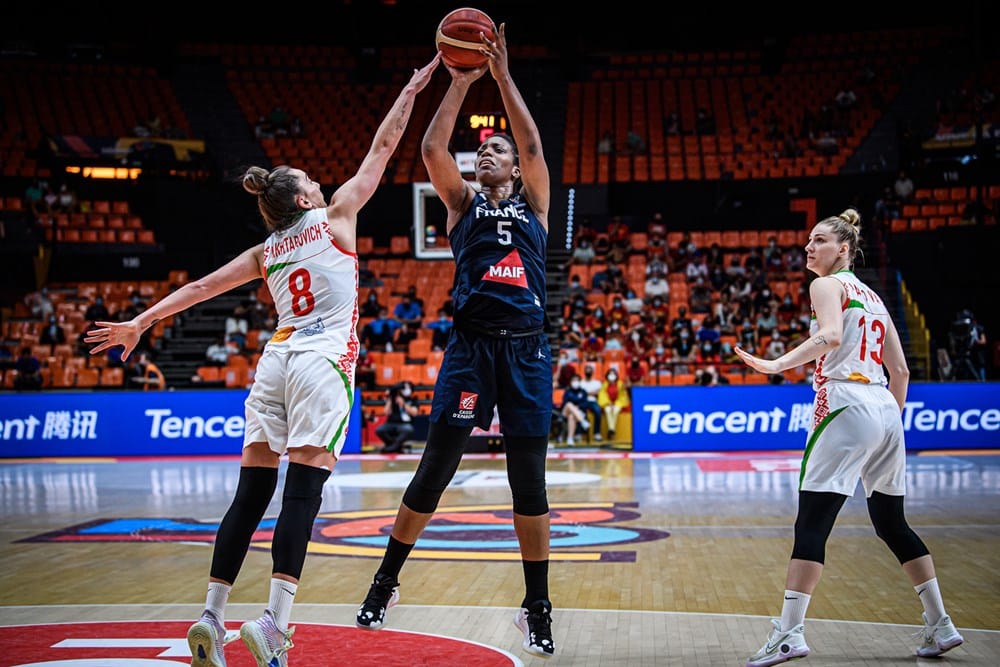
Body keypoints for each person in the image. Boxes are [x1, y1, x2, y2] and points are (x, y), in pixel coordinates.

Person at [85, 56, 439, 667]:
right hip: (322, 365)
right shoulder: (335, 219)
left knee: (250, 494)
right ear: (303, 196)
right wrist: (411, 89)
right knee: (302, 494)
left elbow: (198, 289)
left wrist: (141, 322)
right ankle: (274, 624)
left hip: (273, 363)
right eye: (310, 179)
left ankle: (210, 616)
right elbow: (384, 146)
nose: (320, 182)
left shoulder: (267, 248)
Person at [354, 26, 556, 658]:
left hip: (525, 351)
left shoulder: (537, 207)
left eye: (497, 149)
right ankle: (386, 580)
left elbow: (530, 140)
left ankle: (538, 606)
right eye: (484, 150)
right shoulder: (461, 202)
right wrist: (459, 81)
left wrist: (500, 75)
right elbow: (433, 145)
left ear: (517, 169)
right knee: (433, 473)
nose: (487, 153)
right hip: (472, 350)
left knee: (531, 487)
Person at [735, 208, 964, 666]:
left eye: (818, 240)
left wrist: (775, 365)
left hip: (844, 400)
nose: (808, 247)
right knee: (891, 523)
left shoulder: (826, 284)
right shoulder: (876, 298)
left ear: (843, 248)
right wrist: (885, 423)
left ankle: (789, 633)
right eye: (808, 241)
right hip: (884, 406)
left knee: (812, 523)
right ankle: (940, 624)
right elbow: (899, 371)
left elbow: (832, 336)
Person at [375, 381, 419, 453]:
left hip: (404, 424)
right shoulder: (393, 398)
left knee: (408, 429)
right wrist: (391, 398)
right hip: (391, 423)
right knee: (379, 430)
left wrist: (403, 404)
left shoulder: (413, 400)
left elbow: (414, 413)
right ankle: (396, 446)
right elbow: (386, 412)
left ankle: (392, 447)